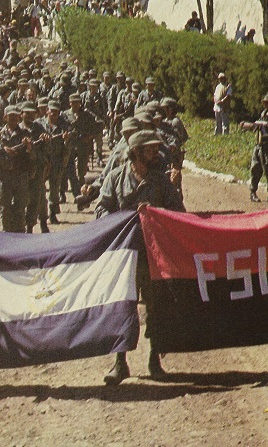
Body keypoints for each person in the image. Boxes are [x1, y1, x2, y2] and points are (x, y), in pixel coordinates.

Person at [96, 130, 186, 385]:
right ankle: (119, 362)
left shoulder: (160, 181)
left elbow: (178, 212)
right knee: (123, 305)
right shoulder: (115, 178)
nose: (155, 153)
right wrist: (122, 220)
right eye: (149, 149)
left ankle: (154, 360)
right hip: (125, 255)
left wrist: (156, 213)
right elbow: (101, 209)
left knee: (155, 307)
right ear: (136, 152)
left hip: (153, 256)